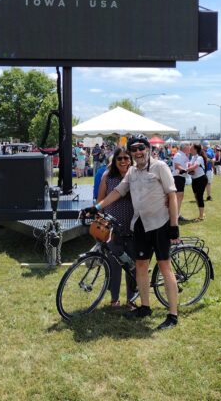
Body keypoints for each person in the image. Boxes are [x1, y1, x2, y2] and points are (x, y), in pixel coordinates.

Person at [92, 134, 180, 330]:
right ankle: (145, 307)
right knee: (140, 266)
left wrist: (174, 225)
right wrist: (98, 207)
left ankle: (173, 315)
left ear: (148, 148)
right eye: (134, 149)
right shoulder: (132, 172)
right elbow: (118, 192)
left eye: (141, 148)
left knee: (165, 268)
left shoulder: (160, 167)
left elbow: (172, 195)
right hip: (140, 225)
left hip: (160, 224)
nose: (138, 152)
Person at [97, 147, 135, 308]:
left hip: (132, 226)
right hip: (112, 226)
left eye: (126, 158)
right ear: (114, 160)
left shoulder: (135, 176)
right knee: (114, 263)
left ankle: (131, 299)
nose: (123, 161)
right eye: (119, 158)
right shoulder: (108, 176)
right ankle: (114, 298)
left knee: (132, 264)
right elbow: (100, 199)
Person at [187, 143, 208, 221]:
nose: (190, 149)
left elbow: (195, 166)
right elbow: (190, 165)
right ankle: (202, 213)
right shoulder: (193, 157)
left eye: (191, 148)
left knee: (199, 197)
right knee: (196, 196)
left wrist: (186, 170)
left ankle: (201, 216)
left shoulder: (199, 158)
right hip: (194, 179)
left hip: (201, 179)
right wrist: (189, 167)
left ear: (195, 149)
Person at [171, 142, 190, 223]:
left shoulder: (183, 155)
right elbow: (177, 166)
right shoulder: (179, 155)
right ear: (185, 147)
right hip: (177, 177)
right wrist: (184, 170)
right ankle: (176, 215)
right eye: (188, 146)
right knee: (178, 197)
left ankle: (177, 214)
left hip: (181, 177)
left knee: (180, 197)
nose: (189, 148)